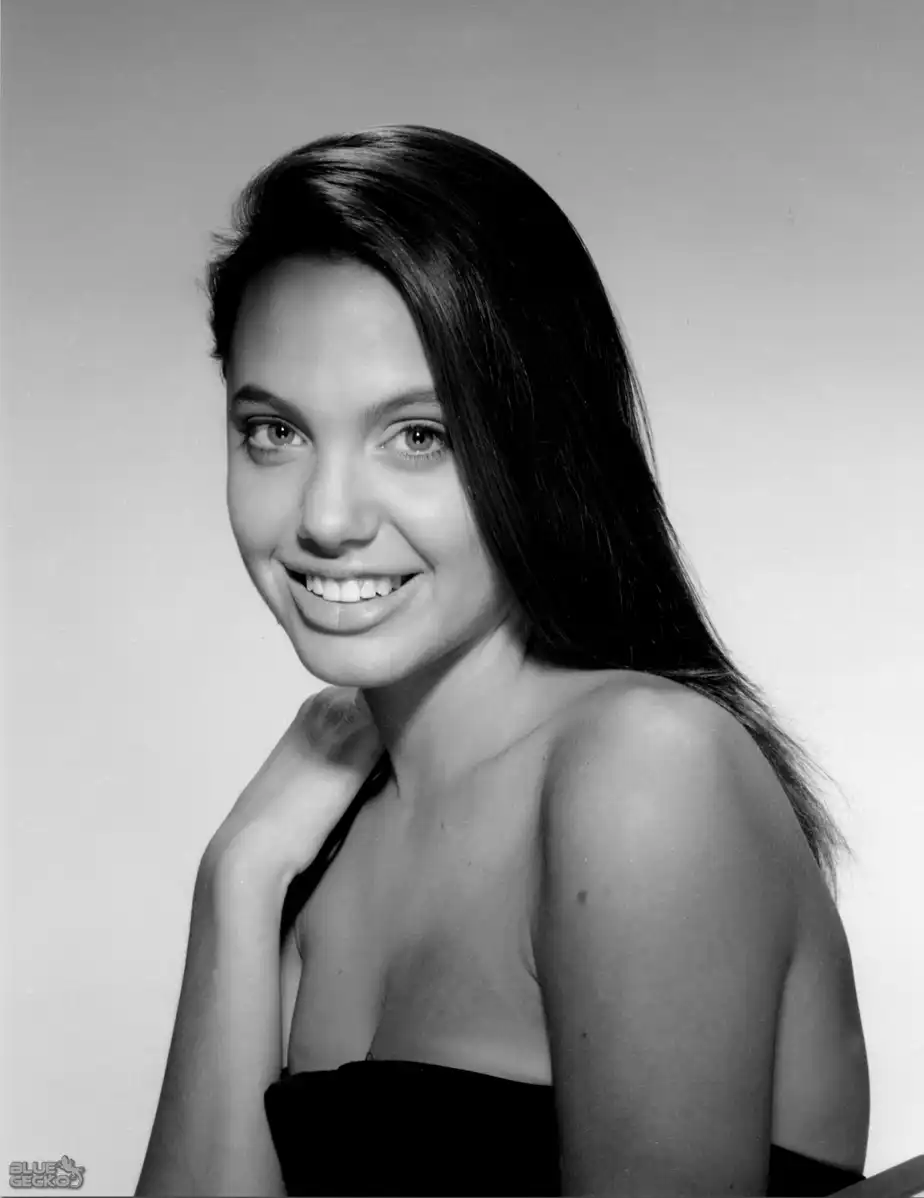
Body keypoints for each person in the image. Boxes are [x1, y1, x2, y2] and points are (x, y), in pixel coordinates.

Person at [135, 125, 870, 1197]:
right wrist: (235, 882)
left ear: (544, 446)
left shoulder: (644, 769)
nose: (327, 518)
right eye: (274, 432)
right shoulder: (313, 840)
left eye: (419, 436)